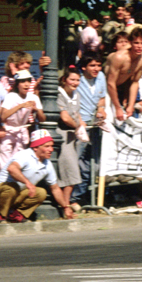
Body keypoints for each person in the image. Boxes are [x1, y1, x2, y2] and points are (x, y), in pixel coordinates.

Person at [0, 129, 76, 223]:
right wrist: (27, 183)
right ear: (36, 147)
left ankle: (15, 215)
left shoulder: (47, 164)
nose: (51, 150)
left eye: (52, 146)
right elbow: (12, 169)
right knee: (12, 188)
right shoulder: (24, 155)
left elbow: (55, 189)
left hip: (16, 194)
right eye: (47, 146)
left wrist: (66, 207)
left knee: (41, 192)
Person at [71, 53, 107, 207]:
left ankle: (82, 195)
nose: (96, 69)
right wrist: (79, 121)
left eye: (98, 65)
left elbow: (102, 99)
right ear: (84, 67)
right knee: (75, 162)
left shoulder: (101, 77)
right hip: (80, 126)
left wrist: (101, 109)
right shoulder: (77, 80)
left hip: (95, 125)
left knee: (93, 164)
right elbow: (72, 103)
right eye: (92, 65)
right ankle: (71, 198)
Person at [0, 70, 45, 176]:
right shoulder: (11, 96)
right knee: (3, 164)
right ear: (17, 84)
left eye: (28, 81)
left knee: (18, 164)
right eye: (23, 81)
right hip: (8, 133)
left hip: (22, 133)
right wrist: (20, 106)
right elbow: (3, 116)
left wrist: (37, 109)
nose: (26, 84)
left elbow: (42, 119)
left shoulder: (33, 97)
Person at [105, 27, 142, 121]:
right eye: (136, 43)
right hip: (105, 89)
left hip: (120, 89)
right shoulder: (120, 57)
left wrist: (130, 105)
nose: (139, 46)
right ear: (130, 42)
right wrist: (118, 108)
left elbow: (135, 82)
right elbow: (110, 83)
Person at [56, 67, 85, 210]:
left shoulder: (76, 95)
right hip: (62, 134)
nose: (75, 83)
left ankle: (65, 203)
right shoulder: (59, 94)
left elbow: (76, 114)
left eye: (77, 80)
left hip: (73, 136)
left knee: (71, 171)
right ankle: (65, 204)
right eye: (72, 79)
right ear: (64, 80)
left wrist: (81, 124)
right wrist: (77, 126)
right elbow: (65, 117)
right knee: (70, 171)